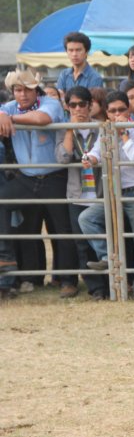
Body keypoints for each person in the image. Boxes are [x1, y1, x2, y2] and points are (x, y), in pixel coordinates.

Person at [0, 69, 78, 298]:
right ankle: (6, 259)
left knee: (63, 230)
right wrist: (3, 113)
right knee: (7, 208)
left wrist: (9, 118)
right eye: (18, 90)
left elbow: (42, 119)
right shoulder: (9, 107)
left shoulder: (50, 103)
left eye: (27, 89)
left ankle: (69, 280)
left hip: (55, 176)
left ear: (36, 90)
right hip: (26, 178)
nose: (22, 94)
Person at [78, 91, 134, 300]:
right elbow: (96, 152)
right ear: (107, 112)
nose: (117, 114)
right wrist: (89, 159)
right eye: (112, 111)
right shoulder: (105, 130)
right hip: (114, 191)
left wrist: (124, 133)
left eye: (121, 109)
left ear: (128, 110)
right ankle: (107, 256)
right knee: (86, 218)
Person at [54, 86, 108, 300]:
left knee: (103, 241)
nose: (78, 109)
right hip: (77, 195)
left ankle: (110, 284)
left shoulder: (101, 127)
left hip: (101, 193)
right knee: (82, 244)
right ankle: (96, 289)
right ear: (67, 107)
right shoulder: (63, 129)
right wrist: (70, 129)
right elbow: (63, 158)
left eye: (82, 104)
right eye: (73, 105)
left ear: (90, 105)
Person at [55, 32, 103, 96]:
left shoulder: (95, 77)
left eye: (78, 50)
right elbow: (58, 98)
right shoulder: (64, 75)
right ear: (66, 52)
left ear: (86, 51)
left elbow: (92, 101)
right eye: (71, 50)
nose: (74, 54)